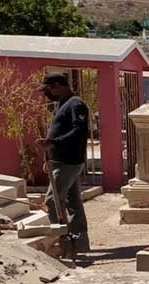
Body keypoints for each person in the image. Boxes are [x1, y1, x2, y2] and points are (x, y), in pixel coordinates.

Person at [37, 72, 91, 253]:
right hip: (59, 160)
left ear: (59, 86)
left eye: (49, 89)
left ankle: (62, 238)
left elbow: (79, 131)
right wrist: (50, 154)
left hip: (69, 161)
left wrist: (54, 143)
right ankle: (79, 242)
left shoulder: (76, 104)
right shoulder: (61, 104)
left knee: (52, 201)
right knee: (73, 202)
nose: (47, 94)